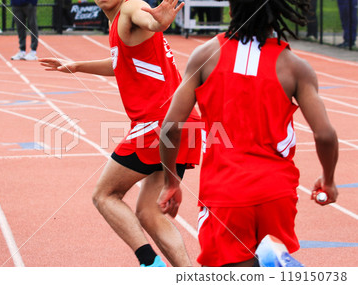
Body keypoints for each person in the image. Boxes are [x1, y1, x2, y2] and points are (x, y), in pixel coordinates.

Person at [159, 0, 339, 267]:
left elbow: (170, 128)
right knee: (262, 263)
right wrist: (329, 179)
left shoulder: (204, 55)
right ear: (276, 13)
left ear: (231, 10)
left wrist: (171, 182)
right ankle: (273, 264)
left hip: (225, 192)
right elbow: (325, 135)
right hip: (276, 191)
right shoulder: (294, 66)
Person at [39, 0, 201, 267]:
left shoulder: (130, 7)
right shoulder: (118, 24)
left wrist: (157, 22)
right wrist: (78, 66)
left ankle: (150, 264)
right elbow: (120, 62)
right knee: (149, 212)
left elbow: (145, 17)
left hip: (157, 122)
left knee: (104, 195)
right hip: (185, 120)